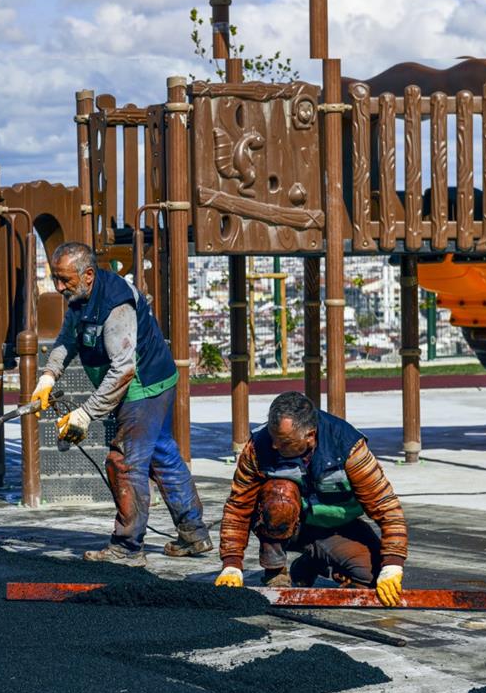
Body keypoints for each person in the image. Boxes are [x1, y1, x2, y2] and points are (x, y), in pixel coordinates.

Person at [29, 241, 212, 567]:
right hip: (152, 379)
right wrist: (48, 376)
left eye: (64, 280)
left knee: (124, 461)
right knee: (160, 453)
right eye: (56, 279)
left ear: (87, 275)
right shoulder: (79, 296)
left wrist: (85, 414)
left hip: (143, 386)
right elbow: (67, 340)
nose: (58, 287)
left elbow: (123, 372)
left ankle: (127, 548)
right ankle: (194, 533)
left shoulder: (117, 307)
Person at [213, 391, 407, 606]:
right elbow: (238, 507)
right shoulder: (258, 447)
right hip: (289, 527)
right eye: (273, 437)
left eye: (284, 442)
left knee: (370, 579)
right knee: (280, 494)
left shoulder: (348, 447)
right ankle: (275, 571)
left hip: (337, 528)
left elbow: (386, 506)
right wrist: (232, 564)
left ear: (310, 435)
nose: (275, 446)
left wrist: (392, 565)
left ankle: (312, 562)